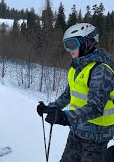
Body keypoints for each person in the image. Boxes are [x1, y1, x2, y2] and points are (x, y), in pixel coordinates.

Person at [37, 23, 114, 162]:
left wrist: (65, 117)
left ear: (88, 43)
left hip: (96, 136)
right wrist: (52, 107)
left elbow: (95, 108)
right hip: (77, 130)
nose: (68, 49)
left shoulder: (101, 70)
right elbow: (68, 95)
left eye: (72, 44)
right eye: (66, 45)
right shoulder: (76, 67)